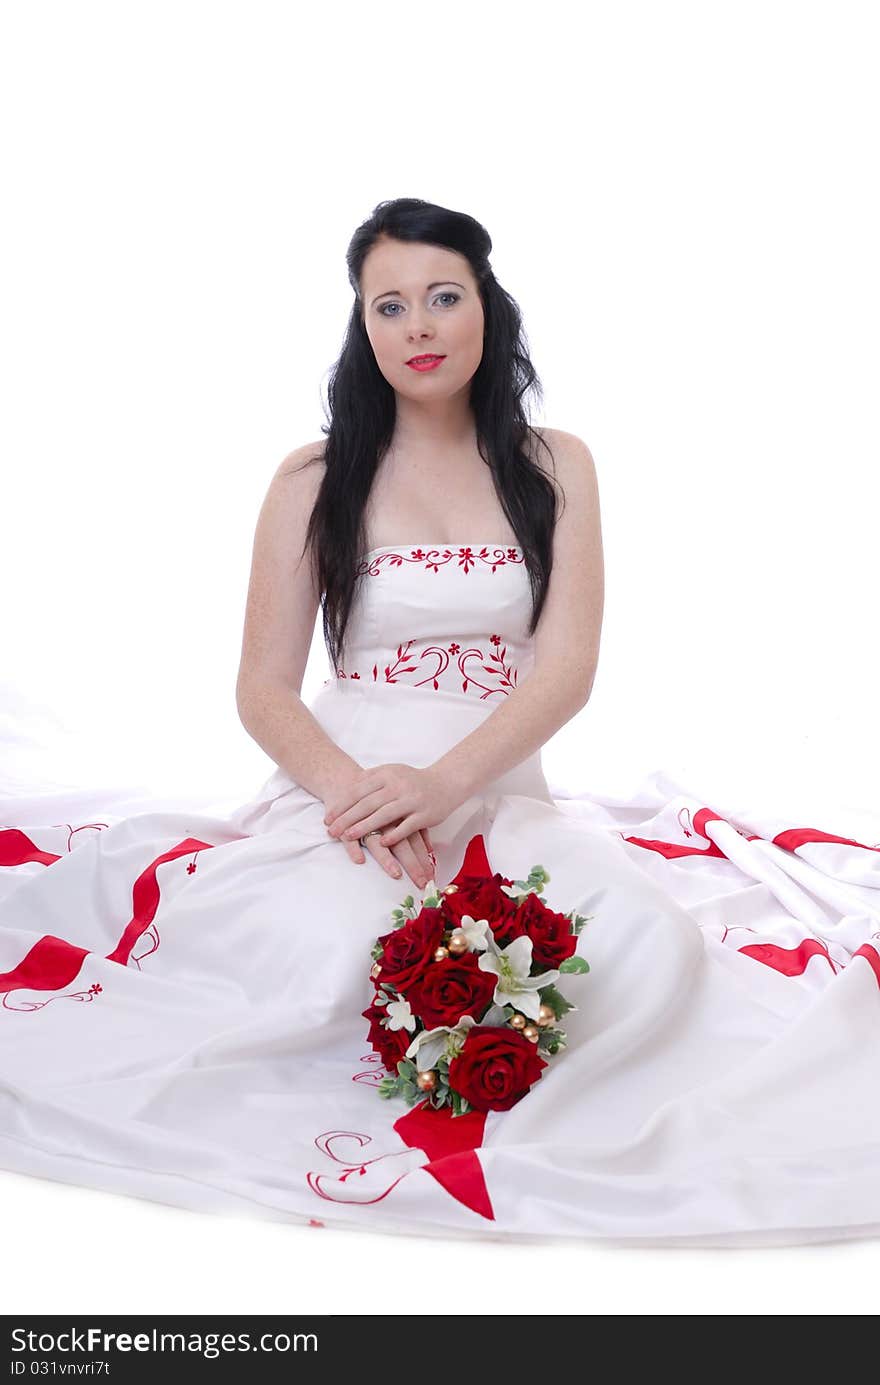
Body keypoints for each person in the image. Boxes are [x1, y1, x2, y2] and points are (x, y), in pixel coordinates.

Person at [1, 197, 879, 1249]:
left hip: (495, 783)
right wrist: (360, 794)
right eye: (390, 305)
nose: (417, 325)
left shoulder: (556, 464)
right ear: (362, 327)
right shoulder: (313, 477)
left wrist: (445, 782)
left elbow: (564, 669)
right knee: (335, 959)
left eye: (441, 297)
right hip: (349, 790)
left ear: (485, 307)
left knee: (644, 946)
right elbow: (264, 687)